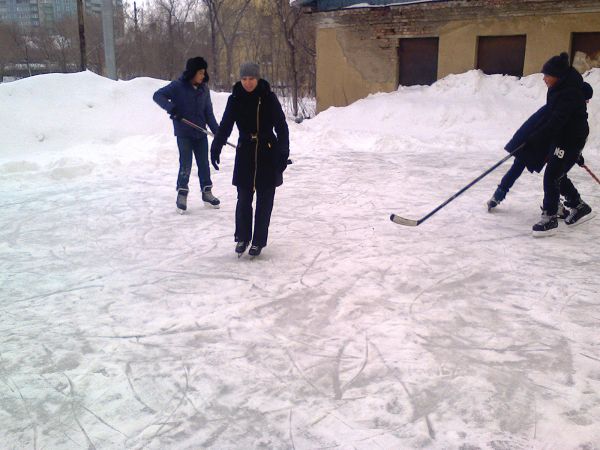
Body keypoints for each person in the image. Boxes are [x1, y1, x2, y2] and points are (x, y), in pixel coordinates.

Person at [210, 62, 289, 257]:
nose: (248, 83)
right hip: (245, 151)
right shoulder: (235, 98)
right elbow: (226, 125)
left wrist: (283, 152)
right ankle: (243, 237)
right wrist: (216, 146)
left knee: (264, 200)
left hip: (267, 151)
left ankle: (258, 241)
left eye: (251, 78)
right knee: (243, 198)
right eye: (244, 79)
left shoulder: (268, 97)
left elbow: (281, 126)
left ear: (258, 78)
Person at [487, 81, 593, 219]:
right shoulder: (565, 108)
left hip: (536, 141)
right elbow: (563, 132)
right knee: (552, 174)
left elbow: (568, 135)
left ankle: (499, 195)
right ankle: (500, 194)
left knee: (547, 173)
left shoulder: (562, 104)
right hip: (535, 141)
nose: (587, 102)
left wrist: (576, 154)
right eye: (586, 99)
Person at [526, 52, 592, 236]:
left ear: (558, 76)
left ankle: (550, 217)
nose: (544, 79)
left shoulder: (569, 93)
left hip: (571, 139)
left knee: (552, 175)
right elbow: (552, 117)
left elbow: (557, 121)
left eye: (547, 75)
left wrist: (537, 137)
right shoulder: (557, 88)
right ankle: (578, 205)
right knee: (557, 174)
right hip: (564, 137)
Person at [153, 57, 220, 213]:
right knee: (186, 163)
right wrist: (171, 108)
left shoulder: (204, 89)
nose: (203, 75)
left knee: (204, 163)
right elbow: (157, 95)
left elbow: (208, 113)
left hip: (200, 132)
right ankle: (182, 193)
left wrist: (218, 133)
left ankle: (207, 192)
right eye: (200, 72)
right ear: (192, 72)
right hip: (184, 133)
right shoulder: (178, 86)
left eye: (204, 72)